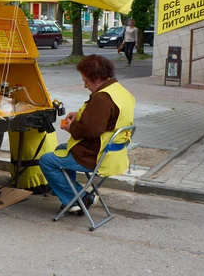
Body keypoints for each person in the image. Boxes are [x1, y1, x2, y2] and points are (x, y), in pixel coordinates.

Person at [39, 55, 135, 213]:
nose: (84, 86)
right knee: (60, 149)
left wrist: (72, 127)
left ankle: (80, 198)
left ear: (97, 78)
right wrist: (81, 115)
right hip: (112, 152)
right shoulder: (119, 91)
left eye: (86, 81)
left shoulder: (102, 99)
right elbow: (108, 118)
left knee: (47, 161)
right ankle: (75, 201)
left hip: (95, 154)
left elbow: (91, 130)